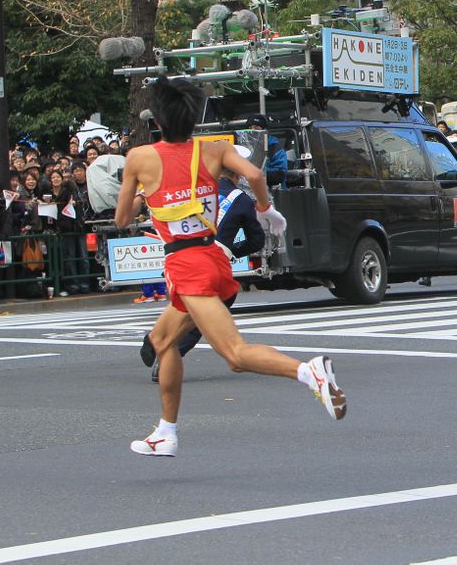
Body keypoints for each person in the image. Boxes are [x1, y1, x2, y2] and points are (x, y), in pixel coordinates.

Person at [117, 77, 346, 457]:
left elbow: (123, 218)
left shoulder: (139, 159)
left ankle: (309, 372)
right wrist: (265, 208)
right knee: (162, 340)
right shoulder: (213, 150)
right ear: (194, 117)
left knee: (235, 355)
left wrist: (144, 196)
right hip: (214, 256)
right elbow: (255, 175)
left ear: (156, 120)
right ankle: (166, 432)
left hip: (186, 262)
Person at [142, 146, 268, 383]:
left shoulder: (197, 191)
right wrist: (233, 249)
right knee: (204, 316)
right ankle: (167, 353)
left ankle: (156, 339)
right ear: (238, 174)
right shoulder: (241, 200)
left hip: (180, 258)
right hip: (213, 261)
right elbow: (257, 240)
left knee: (186, 309)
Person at [247, 114, 288, 186]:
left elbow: (280, 174)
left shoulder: (274, 146)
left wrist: (257, 173)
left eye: (256, 127)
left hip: (273, 191)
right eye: (250, 127)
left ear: (264, 130)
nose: (252, 130)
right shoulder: (245, 146)